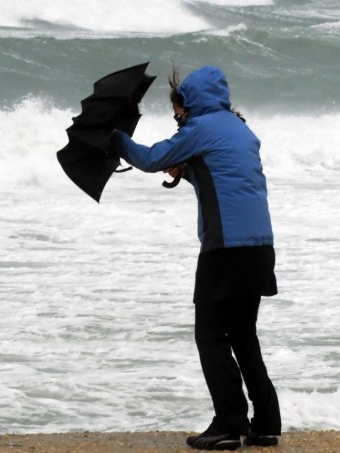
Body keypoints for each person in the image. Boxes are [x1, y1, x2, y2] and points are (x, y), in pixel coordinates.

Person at [110, 66, 282, 451]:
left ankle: (229, 423)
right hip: (259, 246)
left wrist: (115, 139)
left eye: (177, 112)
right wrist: (189, 172)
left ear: (189, 104)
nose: (177, 119)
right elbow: (226, 176)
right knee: (243, 335)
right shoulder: (240, 128)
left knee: (210, 336)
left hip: (226, 248)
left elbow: (152, 158)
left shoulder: (200, 129)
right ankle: (266, 423)